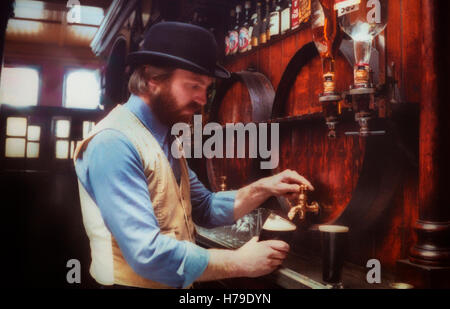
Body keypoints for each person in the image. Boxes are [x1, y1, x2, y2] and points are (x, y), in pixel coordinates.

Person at [73, 21, 313, 289]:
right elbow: (146, 253)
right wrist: (239, 262)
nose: (202, 99)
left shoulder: (165, 137)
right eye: (194, 86)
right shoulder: (113, 142)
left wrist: (265, 187)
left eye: (206, 89)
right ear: (153, 78)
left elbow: (204, 208)